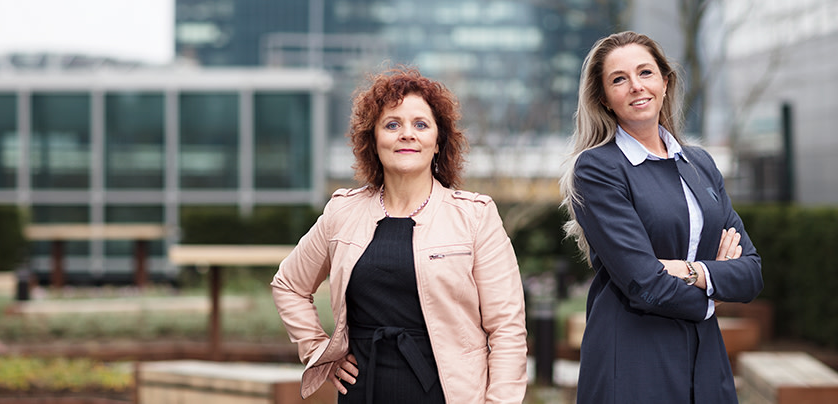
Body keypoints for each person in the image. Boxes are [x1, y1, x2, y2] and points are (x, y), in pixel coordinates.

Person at [271, 66, 527, 403]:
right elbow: (289, 285)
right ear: (373, 141)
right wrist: (318, 351)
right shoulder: (342, 213)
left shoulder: (475, 217)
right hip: (362, 393)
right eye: (392, 125)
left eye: (421, 124)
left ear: (438, 142)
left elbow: (507, 330)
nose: (407, 134)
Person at [559, 31, 764, 403]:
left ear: (665, 82)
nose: (636, 86)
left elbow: (750, 272)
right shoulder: (598, 168)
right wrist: (714, 290)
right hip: (634, 358)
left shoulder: (700, 163)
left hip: (706, 357)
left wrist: (690, 272)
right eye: (619, 79)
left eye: (645, 72)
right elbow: (643, 282)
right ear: (603, 98)